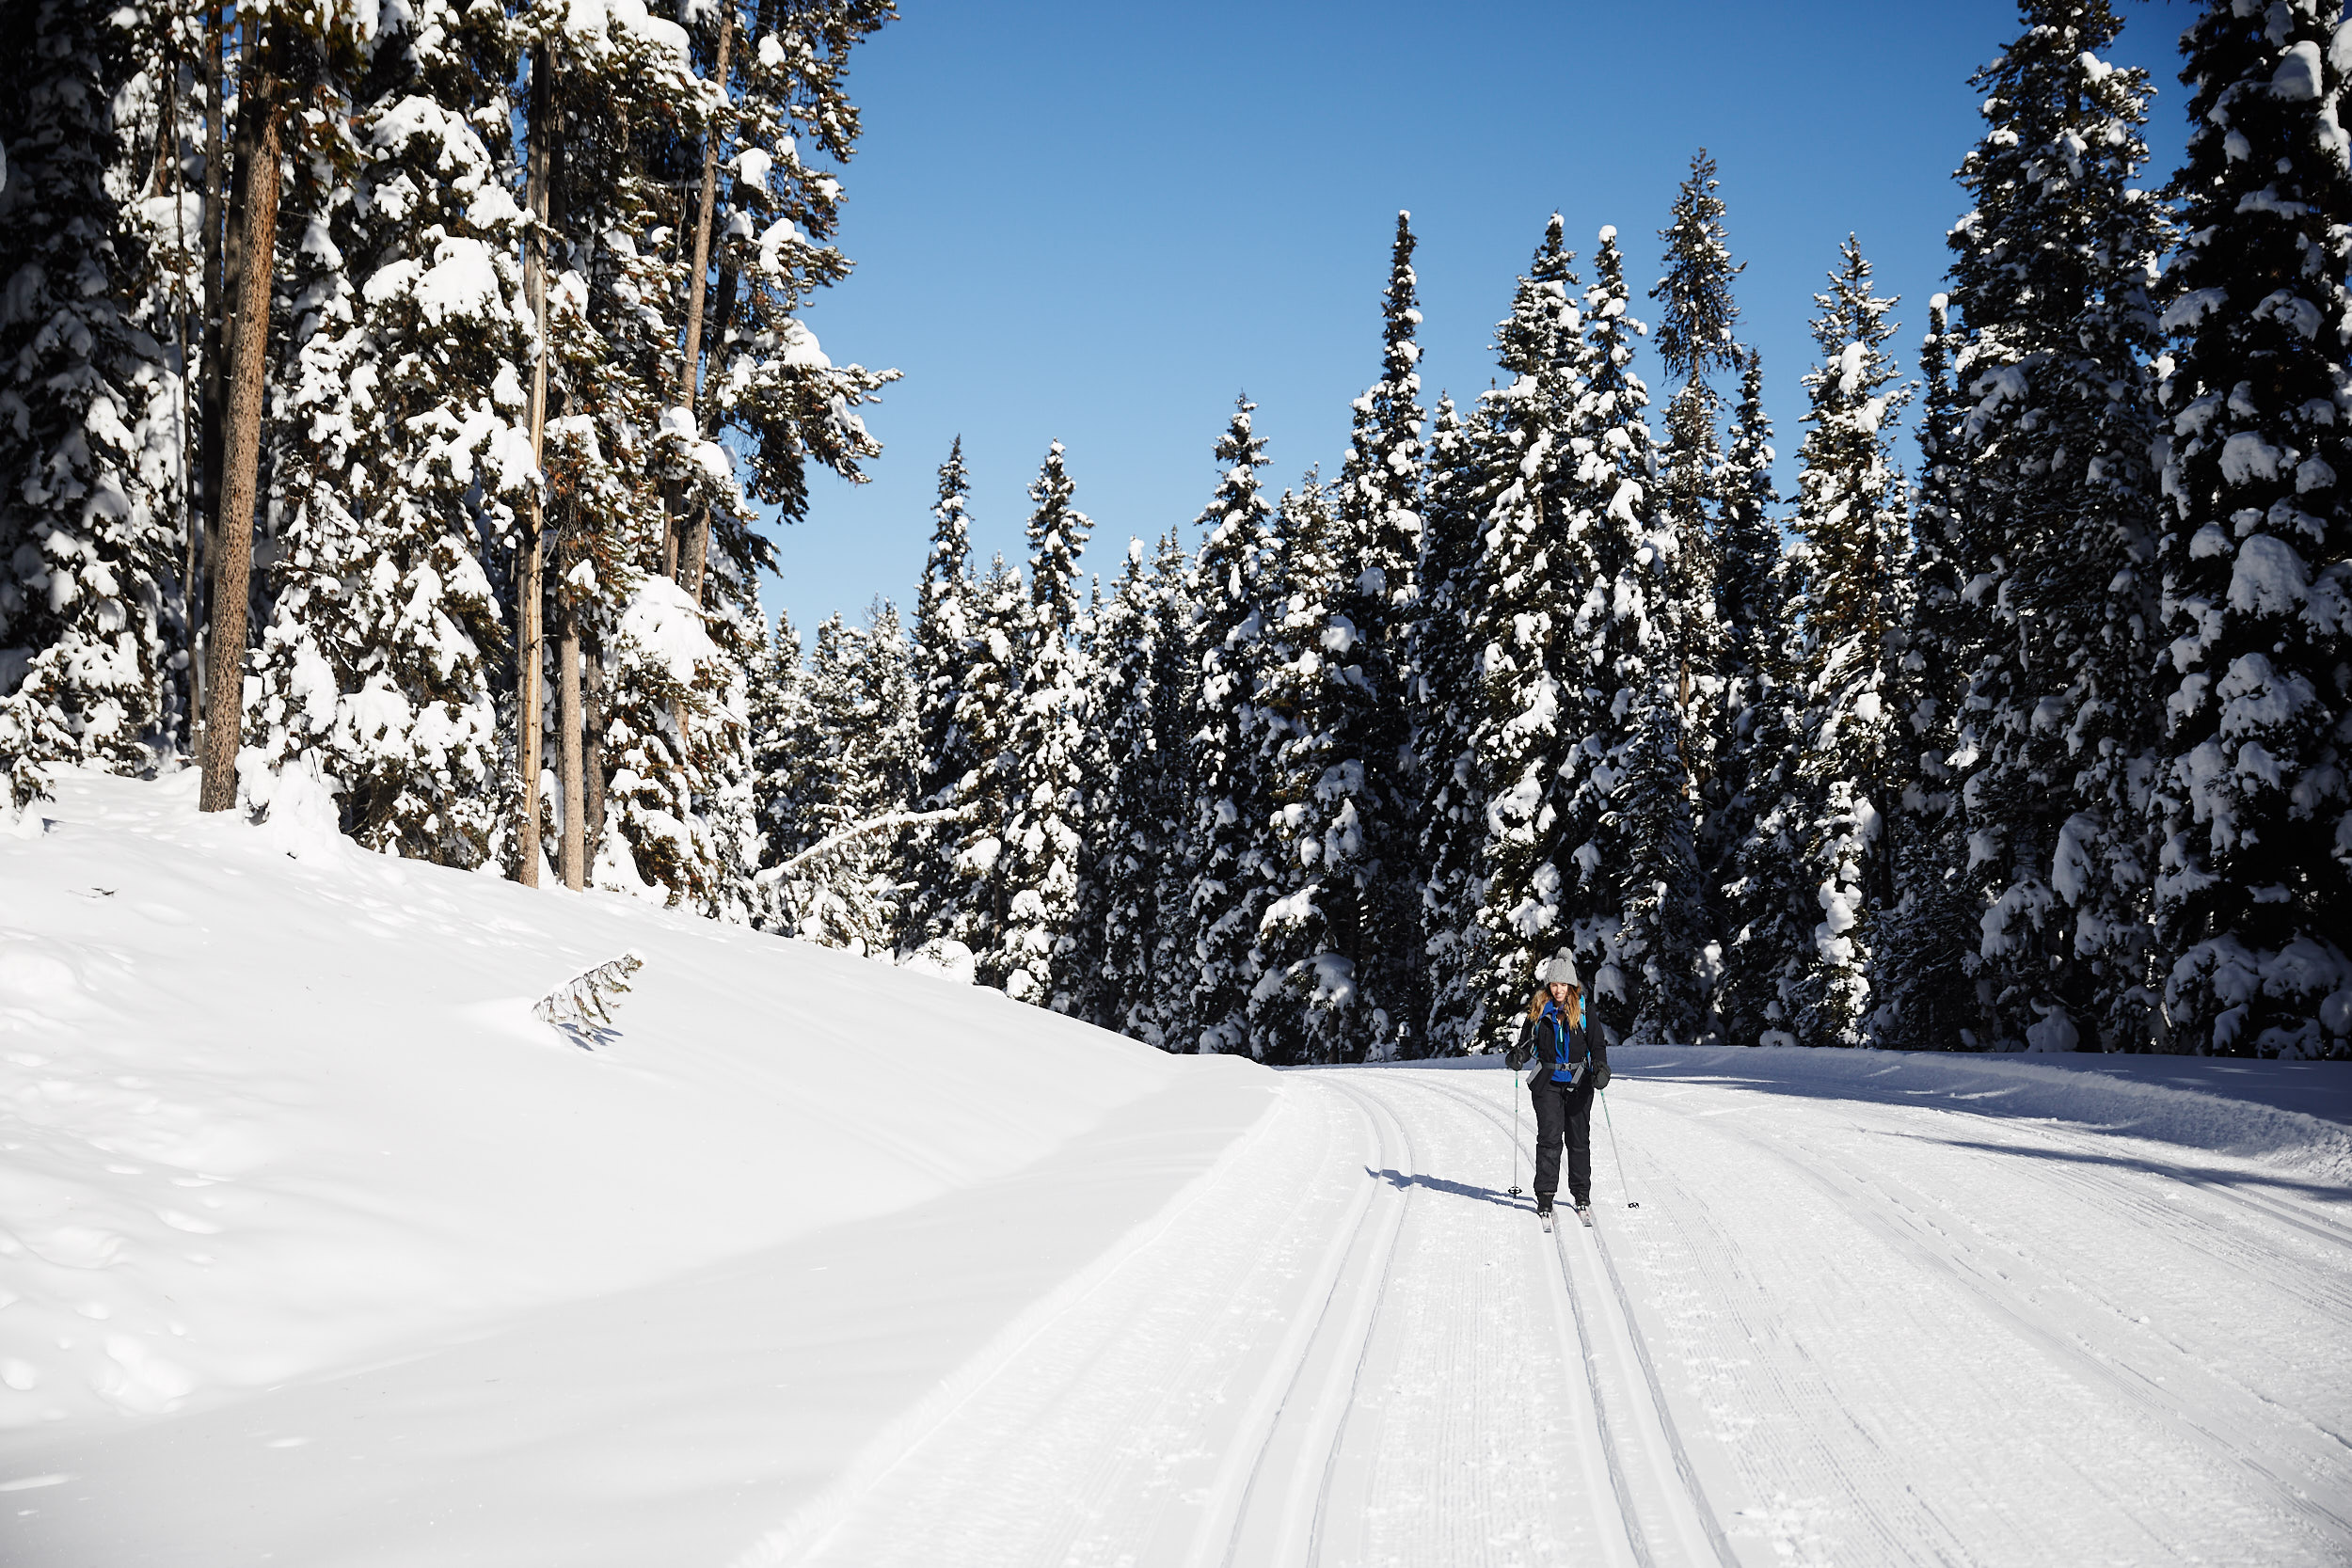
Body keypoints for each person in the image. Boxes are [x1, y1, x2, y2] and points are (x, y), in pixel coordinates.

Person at [1505, 952, 1610, 1222]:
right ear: (1548, 986)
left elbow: (1597, 1044)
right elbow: (1527, 1045)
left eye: (1563, 985)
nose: (1559, 989)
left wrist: (1600, 1067)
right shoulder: (1539, 1011)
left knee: (1578, 1139)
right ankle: (1545, 1196)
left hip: (1580, 1082)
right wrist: (1517, 1056)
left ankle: (1581, 1194)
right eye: (1554, 984)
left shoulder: (1585, 1011)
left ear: (1571, 986)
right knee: (1550, 1139)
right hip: (1547, 1082)